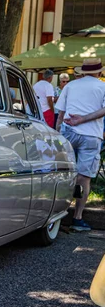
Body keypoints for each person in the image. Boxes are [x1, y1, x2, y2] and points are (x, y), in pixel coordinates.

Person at [55, 58, 105, 232]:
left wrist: (57, 133)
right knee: (84, 177)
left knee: (62, 172)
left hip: (68, 131)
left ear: (82, 71)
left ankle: (56, 214)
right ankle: (77, 218)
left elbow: (60, 114)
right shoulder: (102, 86)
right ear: (99, 72)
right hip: (91, 135)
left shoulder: (70, 85)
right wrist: (84, 119)